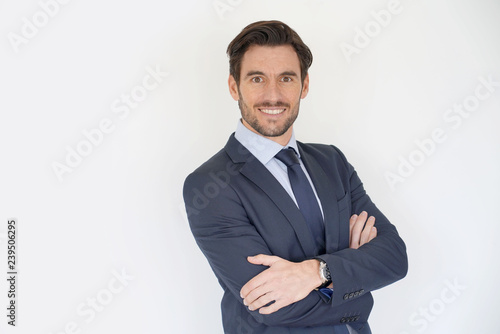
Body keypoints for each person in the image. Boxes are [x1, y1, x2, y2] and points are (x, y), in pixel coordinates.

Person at [183, 20, 408, 334]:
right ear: (234, 86)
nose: (272, 95)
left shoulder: (332, 162)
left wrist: (318, 271)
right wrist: (356, 293)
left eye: (286, 78)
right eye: (257, 78)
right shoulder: (210, 185)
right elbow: (272, 308)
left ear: (304, 85)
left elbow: (394, 258)